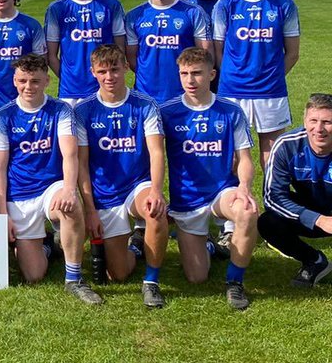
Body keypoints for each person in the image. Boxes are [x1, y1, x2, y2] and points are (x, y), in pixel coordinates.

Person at [0, 53, 101, 303]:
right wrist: (1, 215)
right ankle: (49, 245)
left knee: (70, 207)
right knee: (34, 276)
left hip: (52, 187)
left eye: (35, 81)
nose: (28, 87)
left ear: (47, 81)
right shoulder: (4, 116)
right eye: (22, 81)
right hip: (20, 194)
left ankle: (73, 279)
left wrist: (70, 190)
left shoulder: (61, 109)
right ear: (14, 80)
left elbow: (70, 155)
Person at [159, 48, 258, 309]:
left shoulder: (230, 110)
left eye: (197, 74)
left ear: (212, 74)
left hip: (222, 193)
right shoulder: (167, 112)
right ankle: (210, 247)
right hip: (186, 200)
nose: (190, 80)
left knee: (247, 212)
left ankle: (235, 283)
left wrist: (244, 187)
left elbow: (245, 158)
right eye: (184, 74)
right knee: (196, 277)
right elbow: (152, 154)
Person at [73, 45, 169, 306]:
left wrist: (157, 191)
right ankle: (136, 245)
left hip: (138, 185)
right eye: (102, 71)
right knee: (119, 274)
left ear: (125, 67)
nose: (109, 76)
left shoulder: (145, 105)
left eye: (114, 69)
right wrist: (90, 209)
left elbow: (157, 152)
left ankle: (151, 282)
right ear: (93, 73)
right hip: (105, 194)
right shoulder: (83, 111)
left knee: (155, 210)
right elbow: (81, 164)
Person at [211, 0, 300, 174]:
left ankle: (272, 207)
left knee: (271, 157)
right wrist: (232, 75)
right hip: (232, 91)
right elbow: (217, 50)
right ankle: (232, 207)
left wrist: (271, 78)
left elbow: (292, 53)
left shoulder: (284, 5)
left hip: (270, 92)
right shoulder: (226, 4)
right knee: (230, 156)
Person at [257, 93, 332, 288]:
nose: (319, 129)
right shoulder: (287, 145)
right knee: (268, 222)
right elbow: (272, 197)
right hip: (311, 213)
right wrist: (317, 219)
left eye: (327, 122)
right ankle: (314, 261)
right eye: (313, 121)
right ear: (305, 121)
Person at [124, 0, 211, 104]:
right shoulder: (134, 16)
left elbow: (205, 54)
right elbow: (131, 58)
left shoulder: (193, 13)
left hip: (184, 95)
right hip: (145, 95)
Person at [44, 0, 126, 106]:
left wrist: (107, 77)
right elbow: (51, 55)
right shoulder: (57, 8)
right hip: (70, 92)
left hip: (104, 89)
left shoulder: (111, 5)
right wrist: (69, 77)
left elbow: (120, 49)